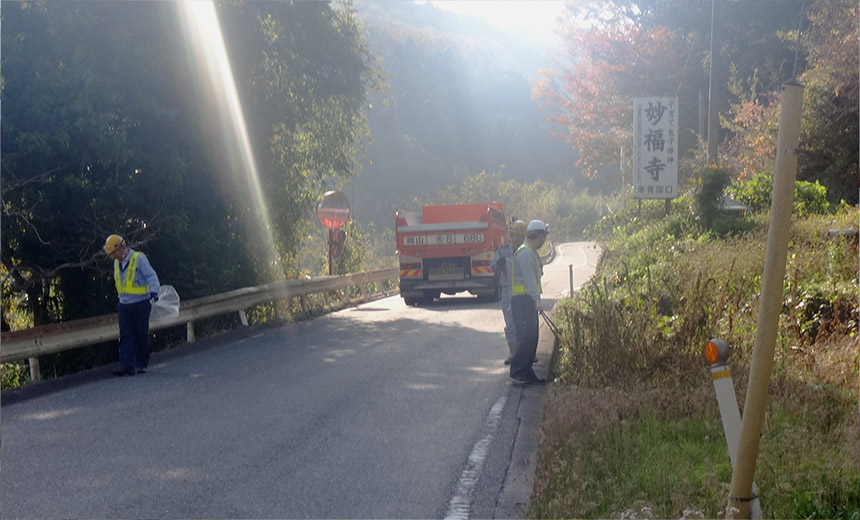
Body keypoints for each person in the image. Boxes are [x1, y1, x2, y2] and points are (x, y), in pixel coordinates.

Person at [104, 234, 160, 376]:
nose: (113, 256)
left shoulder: (138, 259)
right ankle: (127, 364)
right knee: (125, 334)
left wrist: (154, 291)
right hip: (124, 304)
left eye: (114, 253)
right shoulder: (116, 262)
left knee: (141, 334)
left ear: (122, 248)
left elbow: (151, 275)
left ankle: (141, 363)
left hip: (141, 303)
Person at [509, 219, 548, 385]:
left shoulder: (529, 251)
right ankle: (517, 373)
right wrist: (536, 299)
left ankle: (526, 372)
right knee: (526, 337)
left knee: (532, 337)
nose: (544, 241)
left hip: (526, 300)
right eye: (543, 236)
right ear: (538, 236)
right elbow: (530, 280)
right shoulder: (525, 253)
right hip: (523, 300)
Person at [491, 220, 527, 364]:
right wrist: (498, 264)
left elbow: (539, 269)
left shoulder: (527, 252)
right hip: (507, 292)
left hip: (525, 292)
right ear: (511, 234)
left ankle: (527, 351)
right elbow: (492, 266)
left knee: (526, 323)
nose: (518, 238)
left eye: (521, 236)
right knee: (510, 322)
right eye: (516, 235)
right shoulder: (503, 251)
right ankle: (513, 353)